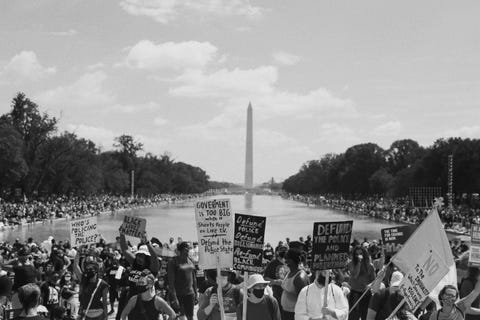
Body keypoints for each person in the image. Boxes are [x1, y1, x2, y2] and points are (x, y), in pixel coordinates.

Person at [117, 231, 159, 320]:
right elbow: (125, 250)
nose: (139, 258)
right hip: (132, 301)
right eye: (138, 255)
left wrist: (147, 242)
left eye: (142, 256)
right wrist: (122, 233)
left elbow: (154, 257)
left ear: (147, 258)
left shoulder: (152, 269)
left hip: (147, 302)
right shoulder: (135, 263)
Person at [167, 241, 197, 320]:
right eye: (185, 249)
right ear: (180, 251)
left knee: (190, 317)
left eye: (188, 249)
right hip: (178, 295)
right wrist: (174, 297)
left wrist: (196, 294)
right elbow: (171, 281)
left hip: (190, 294)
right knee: (181, 317)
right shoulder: (173, 262)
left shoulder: (191, 261)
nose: (187, 251)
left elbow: (194, 279)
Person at [281, 249, 310, 320]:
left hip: (295, 315)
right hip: (286, 312)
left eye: (287, 259)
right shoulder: (289, 272)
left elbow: (304, 300)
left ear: (293, 260)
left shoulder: (300, 277)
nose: (285, 261)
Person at [348, 246, 375, 320]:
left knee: (365, 316)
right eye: (356, 254)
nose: (358, 256)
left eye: (360, 253)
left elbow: (373, 280)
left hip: (365, 293)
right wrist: (359, 263)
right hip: (355, 293)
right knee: (353, 315)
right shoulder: (351, 264)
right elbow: (355, 275)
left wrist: (369, 285)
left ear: (364, 254)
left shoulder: (370, 266)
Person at [264, 245, 289, 313]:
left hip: (290, 300)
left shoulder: (290, 263)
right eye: (282, 250)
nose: (284, 252)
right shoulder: (272, 264)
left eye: (286, 250)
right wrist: (275, 281)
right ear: (277, 252)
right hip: (277, 297)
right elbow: (265, 279)